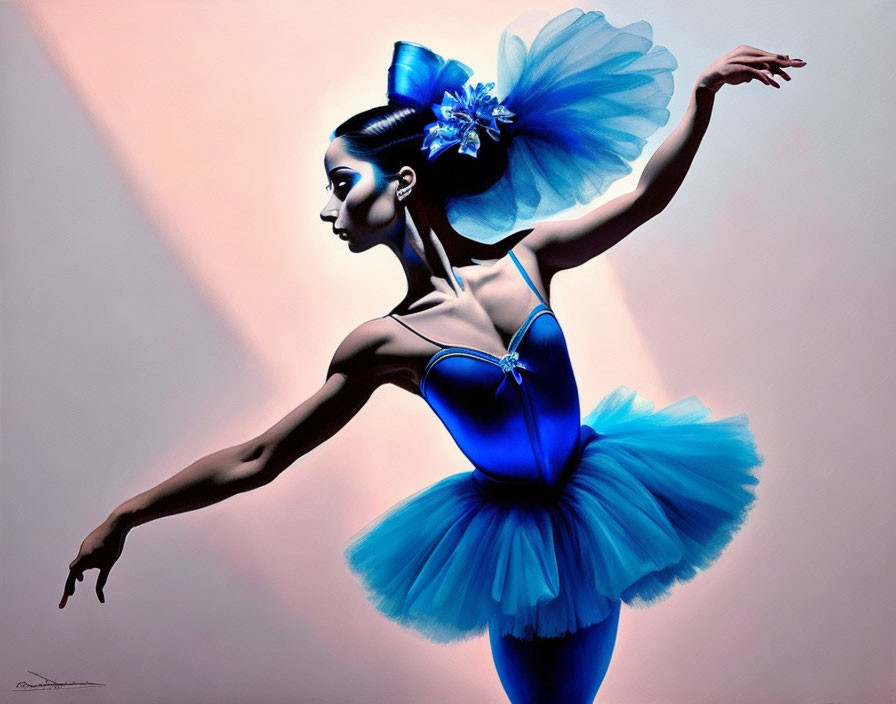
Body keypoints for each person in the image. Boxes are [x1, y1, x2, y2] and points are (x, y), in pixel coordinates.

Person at [61, 9, 804, 703]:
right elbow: (262, 455)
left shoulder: (531, 259)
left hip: (604, 506)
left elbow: (644, 197)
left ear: (404, 180)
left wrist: (702, 97)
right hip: (519, 553)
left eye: (342, 184)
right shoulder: (382, 345)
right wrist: (130, 513)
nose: (329, 208)